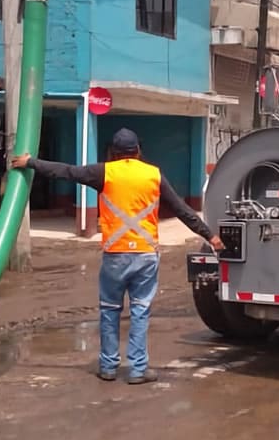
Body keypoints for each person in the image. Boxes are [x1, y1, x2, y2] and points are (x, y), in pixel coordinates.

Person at [11, 128, 224, 384]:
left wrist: (30, 163)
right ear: (138, 151)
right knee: (140, 312)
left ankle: (109, 367)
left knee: (110, 312)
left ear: (113, 152)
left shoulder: (104, 172)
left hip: (116, 256)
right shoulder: (152, 174)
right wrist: (209, 235)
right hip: (145, 256)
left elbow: (65, 171)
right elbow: (182, 209)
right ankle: (137, 370)